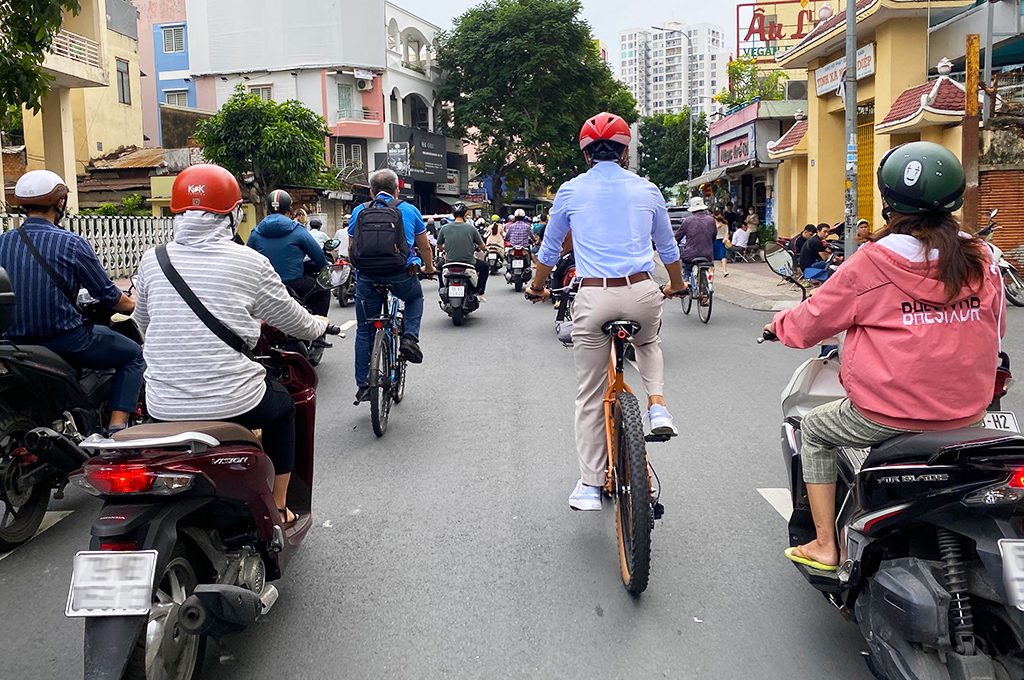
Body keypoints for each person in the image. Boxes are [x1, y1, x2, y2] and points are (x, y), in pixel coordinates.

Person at [764, 141, 1003, 570]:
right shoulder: (981, 258)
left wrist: (778, 324)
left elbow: (808, 324)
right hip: (970, 412)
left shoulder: (871, 263)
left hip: (887, 413)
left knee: (815, 430)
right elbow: (995, 328)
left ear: (889, 198)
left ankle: (823, 544)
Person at [134, 164, 329, 526]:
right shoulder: (250, 263)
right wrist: (318, 325)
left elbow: (143, 324)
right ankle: (280, 506)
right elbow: (293, 320)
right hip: (235, 402)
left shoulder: (151, 260)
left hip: (163, 405)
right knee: (284, 407)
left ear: (177, 213)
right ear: (232, 213)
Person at [527, 112, 687, 512]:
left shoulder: (569, 190)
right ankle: (657, 405)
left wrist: (537, 286)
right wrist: (678, 284)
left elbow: (550, 250)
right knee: (648, 340)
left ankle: (589, 485)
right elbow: (668, 249)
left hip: (594, 299)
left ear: (585, 155)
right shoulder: (648, 189)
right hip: (642, 291)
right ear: (624, 151)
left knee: (589, 395)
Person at [0, 170, 143, 433]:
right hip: (64, 339)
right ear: (60, 203)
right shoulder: (72, 243)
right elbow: (109, 297)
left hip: (13, 341)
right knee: (134, 355)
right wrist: (136, 303)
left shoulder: (3, 242)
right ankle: (117, 429)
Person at [349, 169, 436, 403]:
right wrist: (428, 267)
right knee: (415, 298)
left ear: (371, 191)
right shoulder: (409, 210)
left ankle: (364, 385)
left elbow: (351, 249)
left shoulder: (359, 211)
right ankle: (409, 338)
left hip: (367, 277)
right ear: (398, 189)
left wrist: (360, 274)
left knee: (364, 330)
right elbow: (425, 247)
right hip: (400, 274)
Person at [246, 189, 331, 317]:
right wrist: (326, 267)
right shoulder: (298, 230)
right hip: (295, 284)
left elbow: (248, 260)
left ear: (268, 210)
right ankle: (318, 331)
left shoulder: (255, 233)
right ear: (289, 210)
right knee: (323, 292)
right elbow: (318, 256)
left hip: (265, 287)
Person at [437, 201, 488, 301]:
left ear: (453, 215)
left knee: (439, 266)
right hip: (469, 263)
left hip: (449, 263)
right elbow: (482, 247)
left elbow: (439, 246)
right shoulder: (471, 228)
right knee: (485, 266)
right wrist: (485, 249)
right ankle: (479, 292)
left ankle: (442, 288)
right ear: (465, 214)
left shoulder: (444, 228)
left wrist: (444, 248)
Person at [674, 196, 716, 287]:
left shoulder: (687, 221)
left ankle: (686, 285)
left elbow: (677, 237)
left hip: (690, 255)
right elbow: (713, 237)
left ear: (692, 210)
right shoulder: (711, 220)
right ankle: (705, 292)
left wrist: (674, 245)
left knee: (686, 269)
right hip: (707, 254)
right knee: (707, 268)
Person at [713, 209, 730, 277]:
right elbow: (711, 232)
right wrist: (717, 226)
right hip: (714, 240)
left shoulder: (724, 223)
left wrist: (725, 238)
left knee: (723, 255)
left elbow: (726, 232)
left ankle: (724, 271)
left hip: (721, 241)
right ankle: (712, 270)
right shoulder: (712, 223)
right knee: (712, 257)